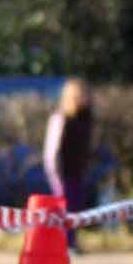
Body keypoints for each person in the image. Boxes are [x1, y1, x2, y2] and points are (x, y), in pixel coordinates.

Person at [41, 76, 99, 212]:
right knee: (65, 213)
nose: (86, 97)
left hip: (78, 174)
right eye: (82, 94)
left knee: (76, 213)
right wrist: (57, 179)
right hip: (63, 176)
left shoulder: (86, 120)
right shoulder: (60, 119)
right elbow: (52, 153)